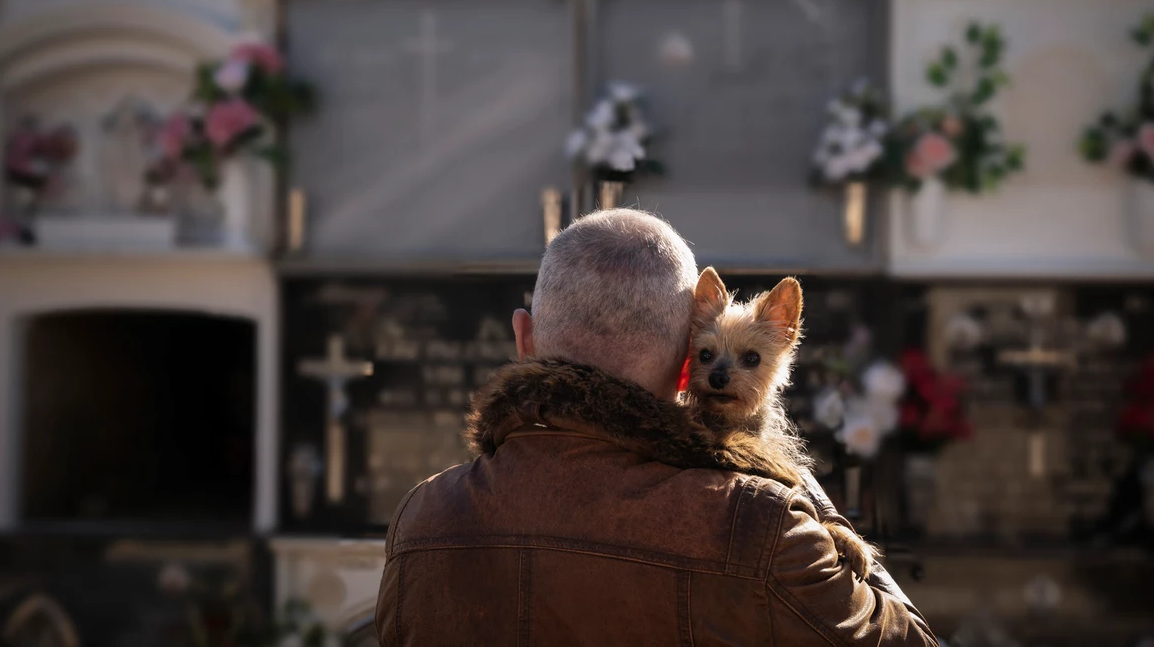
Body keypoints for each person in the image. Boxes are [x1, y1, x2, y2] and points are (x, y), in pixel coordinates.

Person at [375, 209, 937, 646]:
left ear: (524, 341)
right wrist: (802, 489)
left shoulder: (421, 520)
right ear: (686, 361)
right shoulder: (762, 527)